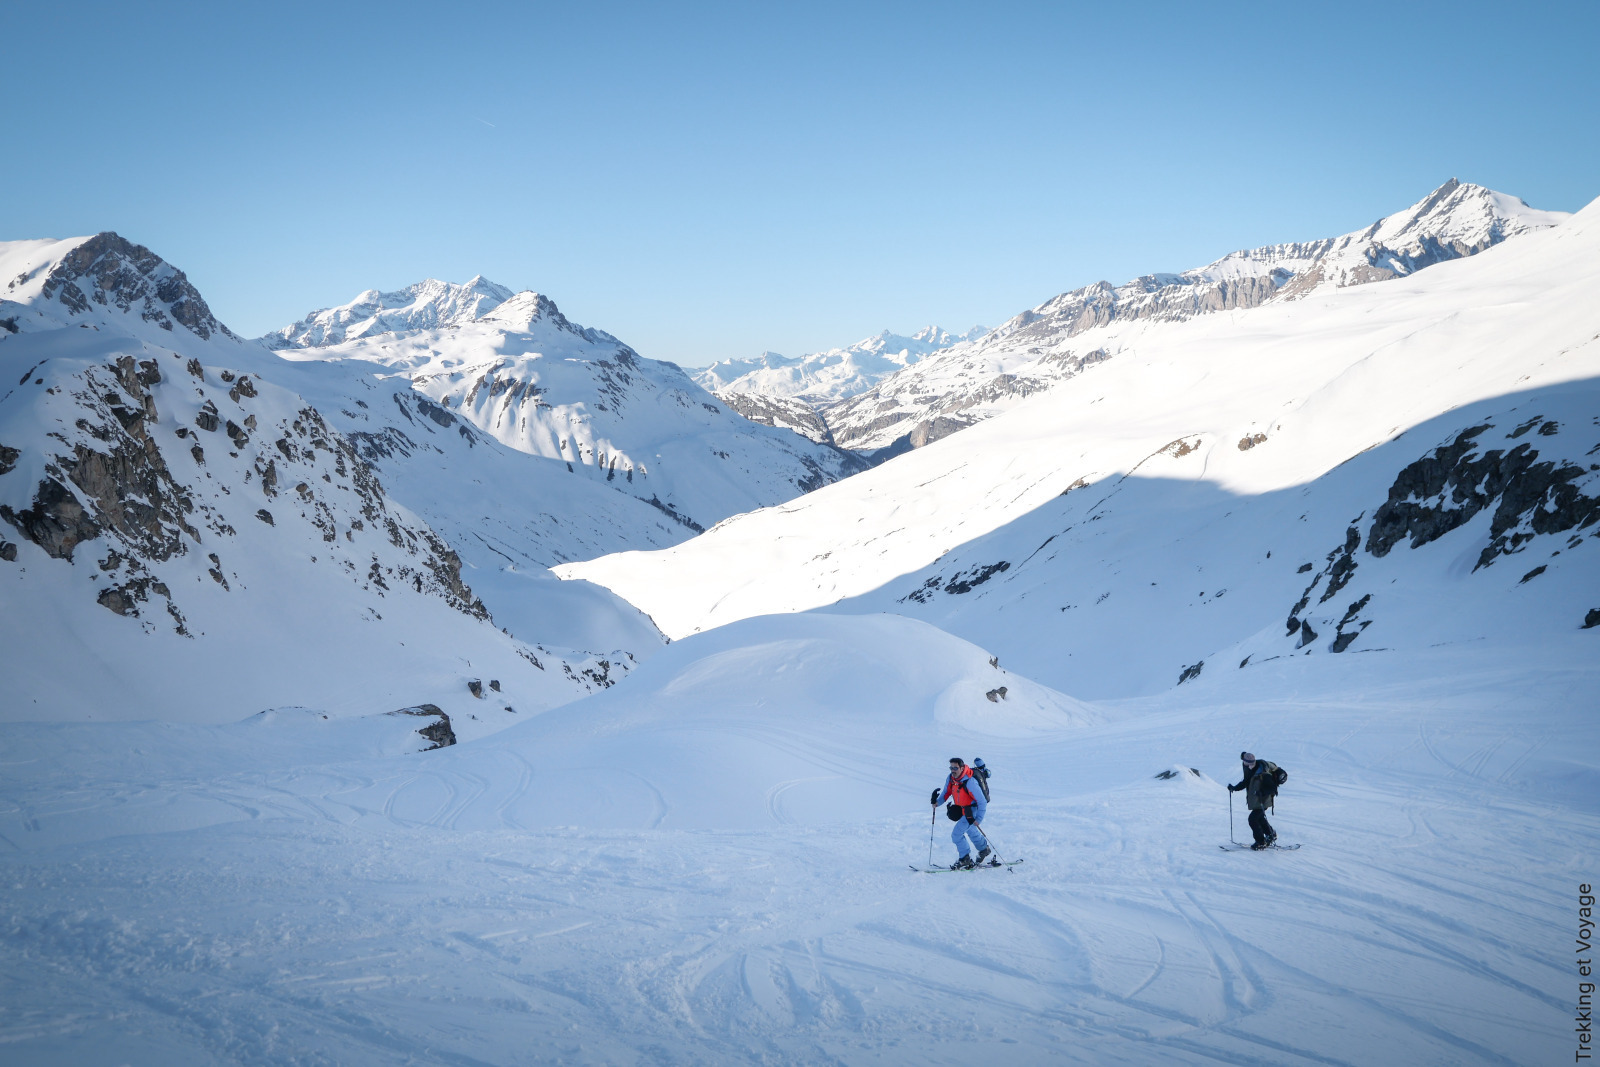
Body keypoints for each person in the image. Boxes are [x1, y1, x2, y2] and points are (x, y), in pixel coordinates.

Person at [931, 756, 990, 868]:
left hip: (973, 810)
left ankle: (965, 858)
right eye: (951, 768)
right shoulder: (951, 779)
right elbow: (946, 793)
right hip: (963, 809)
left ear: (962, 768)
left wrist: (979, 819)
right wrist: (937, 803)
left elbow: (982, 801)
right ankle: (984, 849)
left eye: (955, 768)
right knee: (971, 830)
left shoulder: (970, 782)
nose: (953, 770)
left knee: (957, 834)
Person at [1228, 751, 1279, 849]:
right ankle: (1271, 834)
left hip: (1263, 801)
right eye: (1246, 764)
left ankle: (1260, 841)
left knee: (1252, 819)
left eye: (1249, 764)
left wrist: (1262, 792)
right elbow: (1245, 782)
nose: (1248, 766)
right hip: (1257, 801)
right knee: (1260, 818)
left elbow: (1273, 788)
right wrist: (1234, 788)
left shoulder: (1263, 772)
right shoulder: (1250, 770)